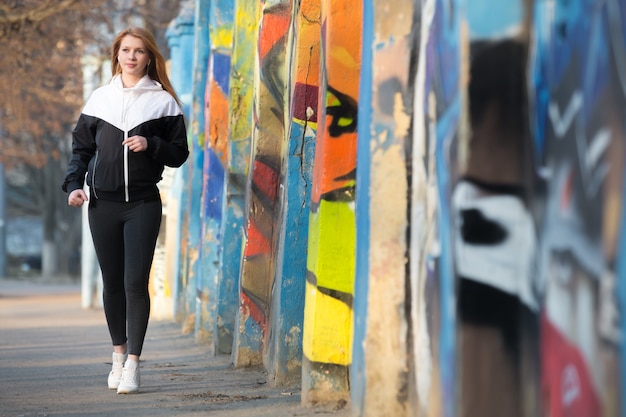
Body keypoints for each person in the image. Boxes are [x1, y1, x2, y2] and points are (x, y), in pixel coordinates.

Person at [62, 27, 189, 394]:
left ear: (150, 57)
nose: (132, 57)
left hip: (144, 205)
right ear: (116, 55)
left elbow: (179, 154)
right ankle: (117, 355)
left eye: (139, 51)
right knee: (113, 283)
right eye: (126, 50)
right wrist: (74, 186)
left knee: (136, 282)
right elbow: (81, 151)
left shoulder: (164, 102)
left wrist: (151, 143)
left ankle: (133, 364)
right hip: (102, 204)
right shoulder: (99, 99)